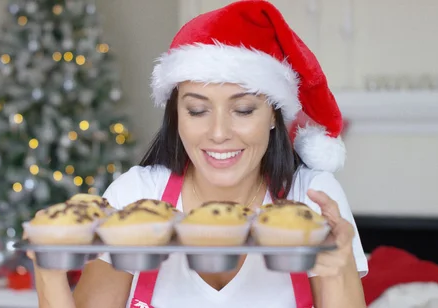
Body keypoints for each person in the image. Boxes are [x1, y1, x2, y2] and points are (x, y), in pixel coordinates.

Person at [29, 1, 369, 307]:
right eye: (196, 110)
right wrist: (47, 270)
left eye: (244, 110)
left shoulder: (311, 201)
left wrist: (338, 269)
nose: (219, 133)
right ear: (176, 115)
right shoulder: (137, 199)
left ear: (273, 116)